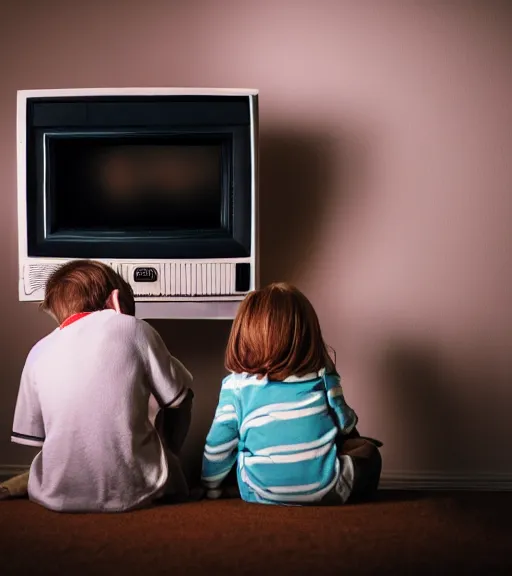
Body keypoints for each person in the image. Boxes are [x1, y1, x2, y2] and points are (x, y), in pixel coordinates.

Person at [0, 260, 193, 512]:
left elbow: (36, 437)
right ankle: (170, 469)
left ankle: (32, 481)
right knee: (178, 390)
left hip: (55, 493)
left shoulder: (37, 352)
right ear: (115, 302)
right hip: (136, 489)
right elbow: (178, 399)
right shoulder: (135, 328)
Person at [201, 282, 382, 505]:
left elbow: (217, 445)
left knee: (241, 445)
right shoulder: (321, 377)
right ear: (307, 336)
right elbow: (346, 425)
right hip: (328, 491)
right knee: (370, 453)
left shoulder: (235, 386)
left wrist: (211, 487)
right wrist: (331, 375)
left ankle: (263, 485)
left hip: (256, 493)